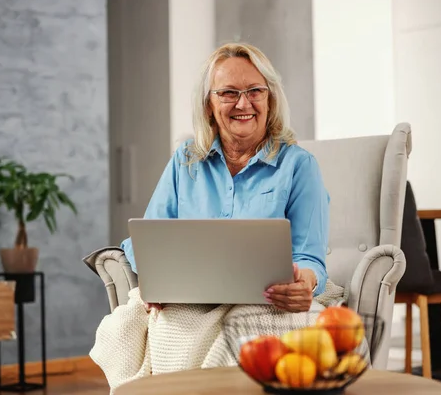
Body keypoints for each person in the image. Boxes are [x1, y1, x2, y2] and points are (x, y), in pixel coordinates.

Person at [120, 42, 329, 314]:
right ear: (209, 105)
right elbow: (145, 240)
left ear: (270, 100)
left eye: (255, 91)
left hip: (264, 307)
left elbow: (309, 257)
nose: (243, 103)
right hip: (188, 302)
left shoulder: (299, 165)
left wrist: (306, 283)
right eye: (229, 93)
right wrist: (153, 276)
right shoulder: (185, 160)